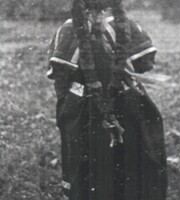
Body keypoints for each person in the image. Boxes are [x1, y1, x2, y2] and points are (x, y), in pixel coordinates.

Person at [47, 0, 168, 199]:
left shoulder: (68, 29)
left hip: (83, 109)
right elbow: (145, 63)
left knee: (88, 170)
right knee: (131, 166)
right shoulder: (127, 25)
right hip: (126, 105)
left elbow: (60, 77)